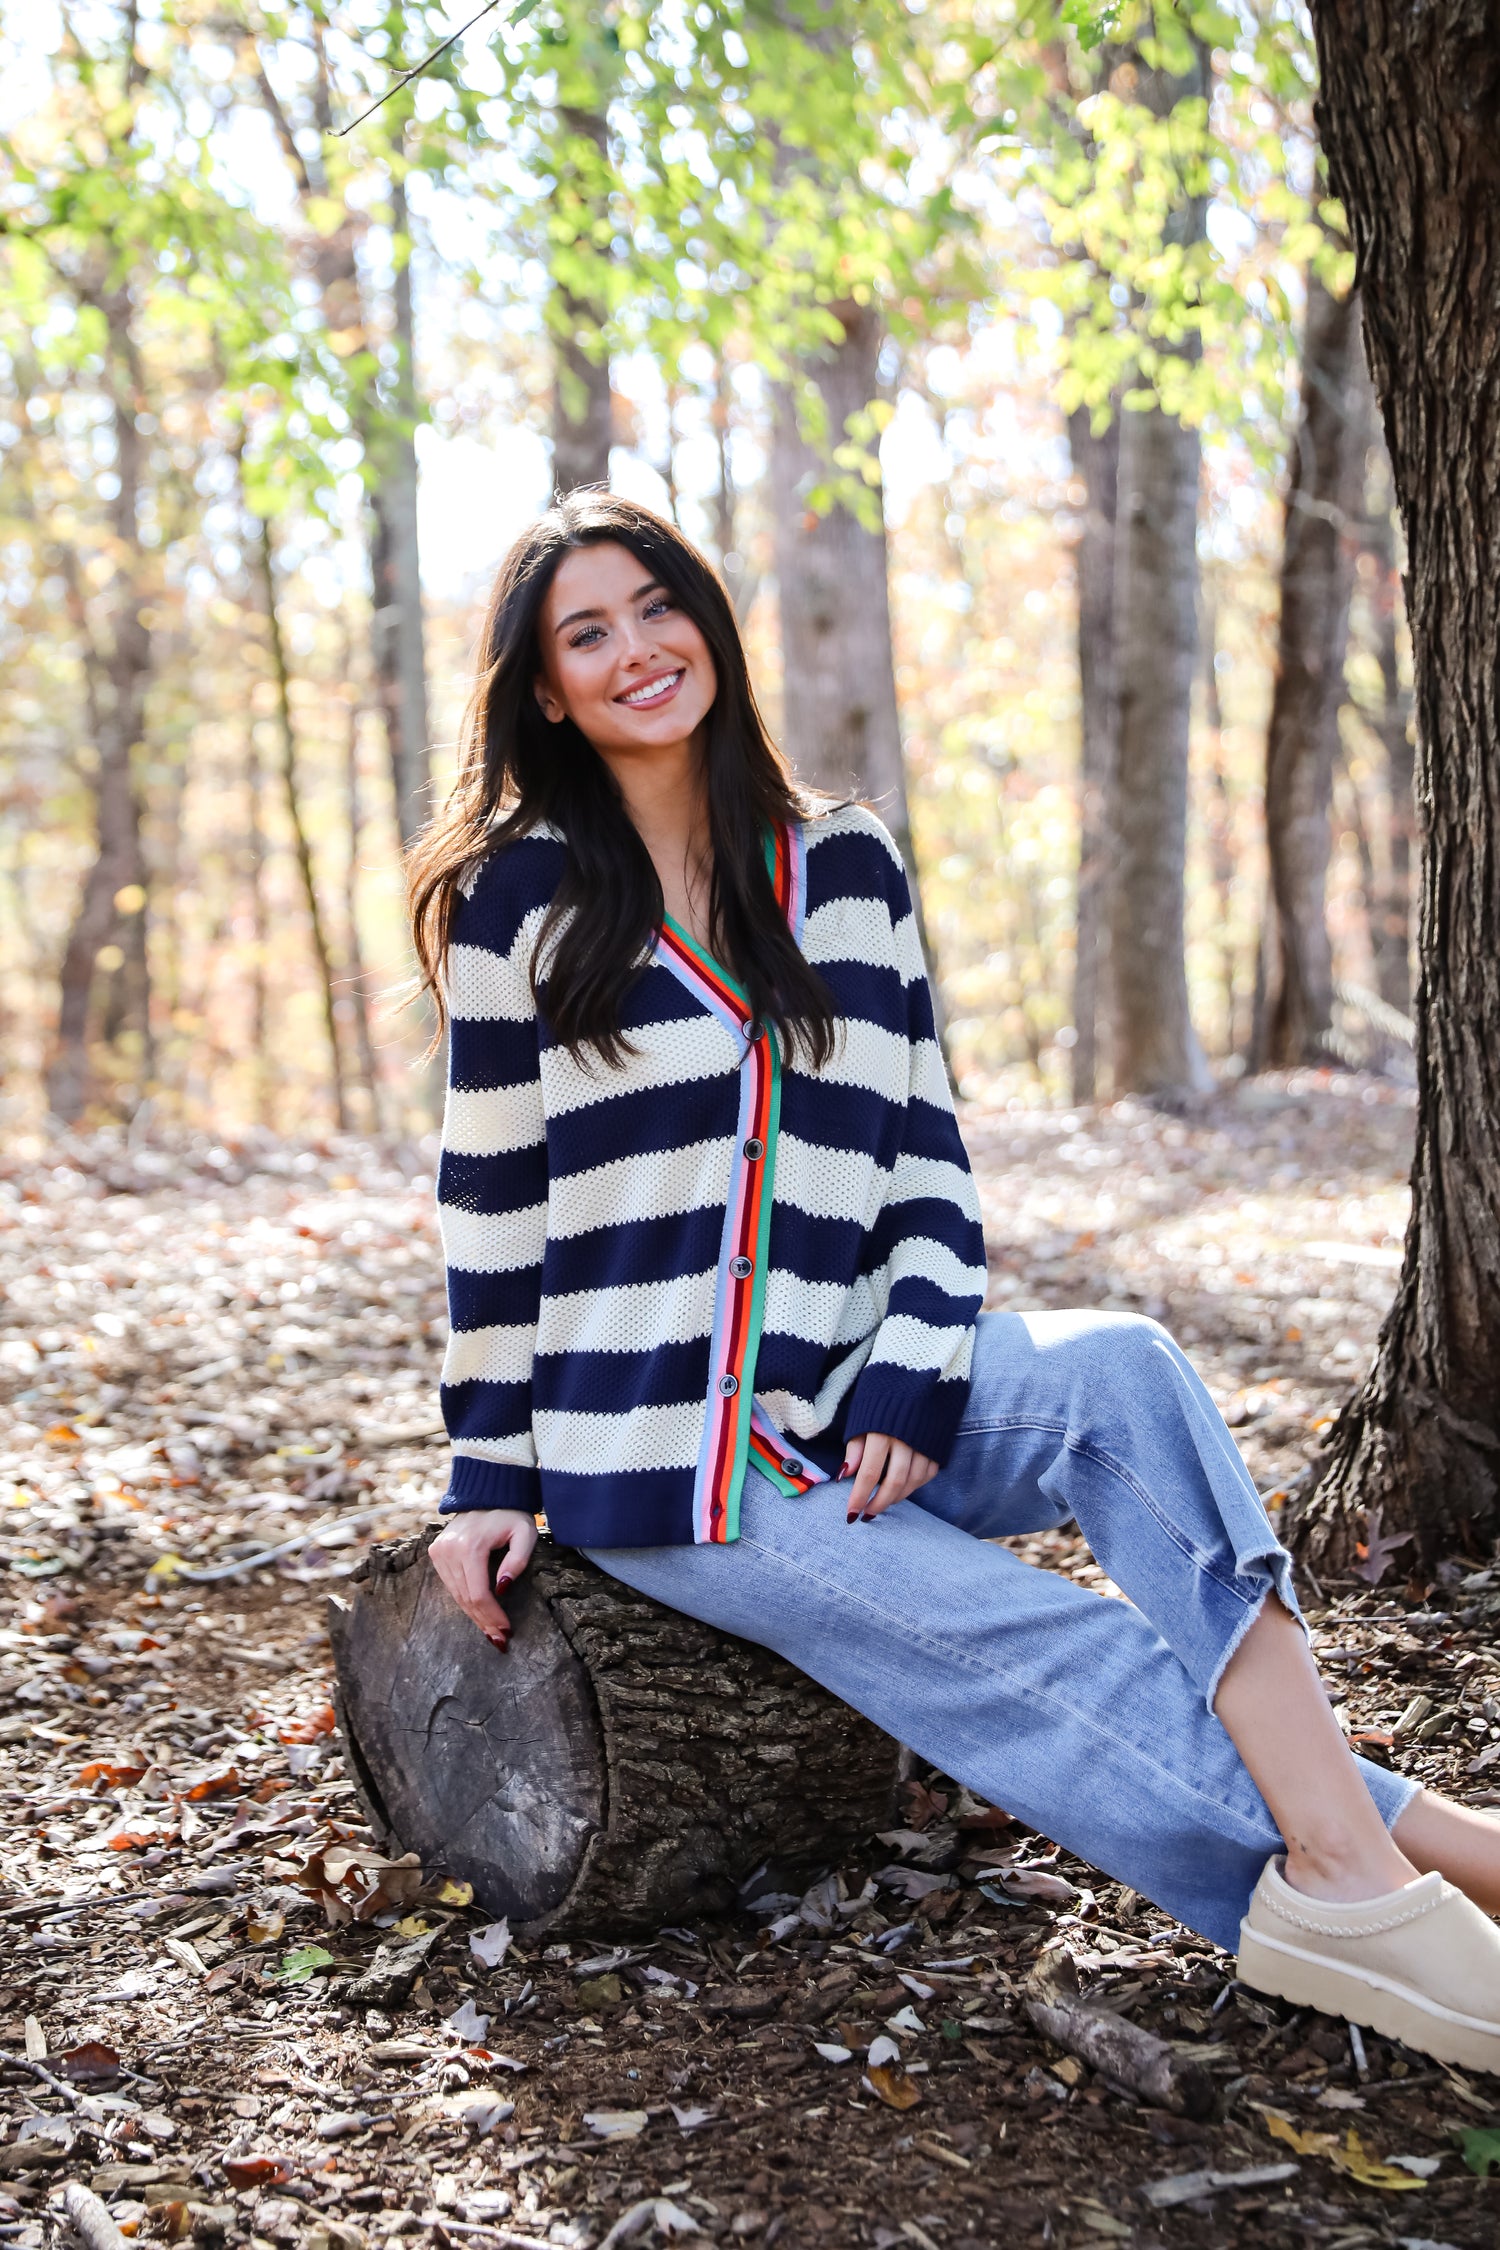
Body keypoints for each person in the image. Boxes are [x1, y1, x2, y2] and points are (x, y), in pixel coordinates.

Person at [408, 489, 1500, 2074]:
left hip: (852, 1376)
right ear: (547, 691)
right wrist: (484, 1469)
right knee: (1038, 1639)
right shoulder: (521, 903)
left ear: (707, 618)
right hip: (669, 1459)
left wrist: (922, 1365)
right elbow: (490, 1206)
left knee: (1121, 1369)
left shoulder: (841, 865)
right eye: (587, 634)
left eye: (657, 605)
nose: (638, 648)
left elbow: (921, 1151)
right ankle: (1394, 1869)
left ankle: (1362, 1860)